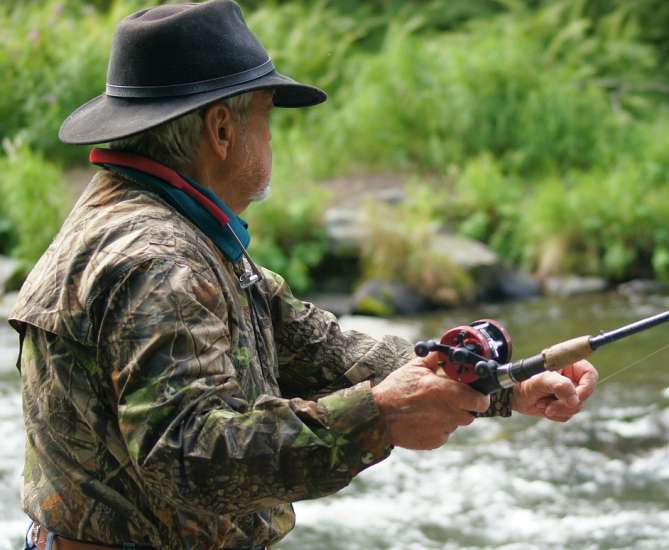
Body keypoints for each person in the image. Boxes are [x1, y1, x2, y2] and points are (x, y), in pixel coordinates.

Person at [9, 1, 598, 549]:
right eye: (267, 119)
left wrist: (500, 385)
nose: (270, 140)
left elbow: (320, 348)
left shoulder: (151, 223)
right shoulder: (160, 259)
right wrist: (381, 416)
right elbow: (190, 458)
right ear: (221, 130)